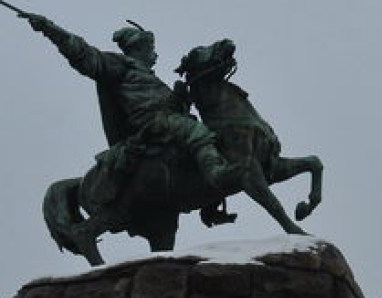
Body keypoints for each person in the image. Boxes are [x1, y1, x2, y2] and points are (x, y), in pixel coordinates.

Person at [21, 12, 242, 194]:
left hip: (168, 121)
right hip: (152, 124)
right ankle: (216, 174)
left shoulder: (149, 77)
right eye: (151, 49)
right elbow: (83, 53)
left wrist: (180, 98)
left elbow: (166, 103)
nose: (155, 55)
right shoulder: (119, 66)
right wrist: (49, 29)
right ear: (139, 49)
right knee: (196, 131)